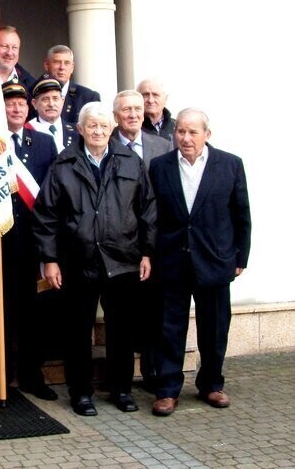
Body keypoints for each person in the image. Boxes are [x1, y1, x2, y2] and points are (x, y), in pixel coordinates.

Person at [32, 101, 156, 417]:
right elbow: (46, 215)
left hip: (123, 259)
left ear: (112, 127)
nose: (98, 131)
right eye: (92, 126)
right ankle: (81, 393)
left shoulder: (131, 161)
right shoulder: (63, 164)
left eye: (103, 125)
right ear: (81, 129)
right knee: (78, 331)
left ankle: (122, 390)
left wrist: (147, 252)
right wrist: (50, 259)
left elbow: (148, 210)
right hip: (78, 260)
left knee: (121, 331)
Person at [149, 108, 251, 417]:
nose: (186, 138)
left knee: (215, 328)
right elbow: (152, 216)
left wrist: (240, 257)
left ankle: (212, 385)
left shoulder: (230, 165)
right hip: (172, 261)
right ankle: (167, 391)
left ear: (207, 134)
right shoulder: (159, 166)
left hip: (215, 261)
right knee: (169, 329)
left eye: (193, 132)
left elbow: (241, 214)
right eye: (180, 131)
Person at [0, 82, 59, 400]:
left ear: (30, 107)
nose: (17, 108)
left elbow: (50, 195)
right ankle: (2, 376)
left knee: (33, 315)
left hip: (34, 243)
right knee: (2, 311)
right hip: (1, 243)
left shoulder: (44, 143)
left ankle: (32, 375)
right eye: (10, 103)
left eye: (21, 103)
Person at [111, 90, 173, 390]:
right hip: (118, 246)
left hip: (155, 243)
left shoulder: (162, 146)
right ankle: (121, 378)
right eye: (127, 110)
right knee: (124, 313)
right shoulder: (104, 147)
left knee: (154, 311)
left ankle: (154, 372)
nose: (134, 114)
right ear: (116, 116)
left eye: (138, 109)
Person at [30, 45, 100, 126]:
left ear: (72, 67)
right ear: (46, 65)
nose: (62, 67)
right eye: (57, 62)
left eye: (67, 63)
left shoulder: (88, 98)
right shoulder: (31, 93)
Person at [28, 77, 77, 153]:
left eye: (55, 98)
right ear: (35, 104)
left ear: (62, 101)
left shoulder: (77, 132)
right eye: (45, 99)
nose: (51, 104)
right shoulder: (27, 132)